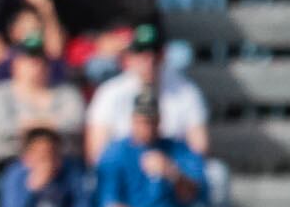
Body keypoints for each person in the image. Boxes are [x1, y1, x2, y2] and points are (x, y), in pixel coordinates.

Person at [85, 90, 228, 207]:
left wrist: (173, 172)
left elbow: (196, 195)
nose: (147, 127)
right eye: (142, 121)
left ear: (160, 121)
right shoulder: (115, 152)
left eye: (152, 121)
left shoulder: (179, 149)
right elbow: (107, 202)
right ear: (132, 120)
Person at [82, 23, 208, 162]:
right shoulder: (110, 92)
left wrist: (169, 169)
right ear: (129, 56)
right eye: (141, 52)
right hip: (125, 172)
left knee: (215, 172)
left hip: (172, 169)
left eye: (154, 53)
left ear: (163, 55)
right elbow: (96, 154)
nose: (149, 60)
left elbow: (199, 149)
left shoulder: (186, 91)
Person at [0, 33, 84, 172]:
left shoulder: (67, 93)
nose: (35, 67)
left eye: (40, 61)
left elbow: (74, 123)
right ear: (15, 65)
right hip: (6, 165)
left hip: (59, 167)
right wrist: (48, 126)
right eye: (28, 61)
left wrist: (28, 126)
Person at [0, 127, 91, 207]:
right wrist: (31, 189)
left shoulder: (72, 173)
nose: (47, 160)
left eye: (52, 154)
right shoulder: (15, 175)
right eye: (41, 155)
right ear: (27, 157)